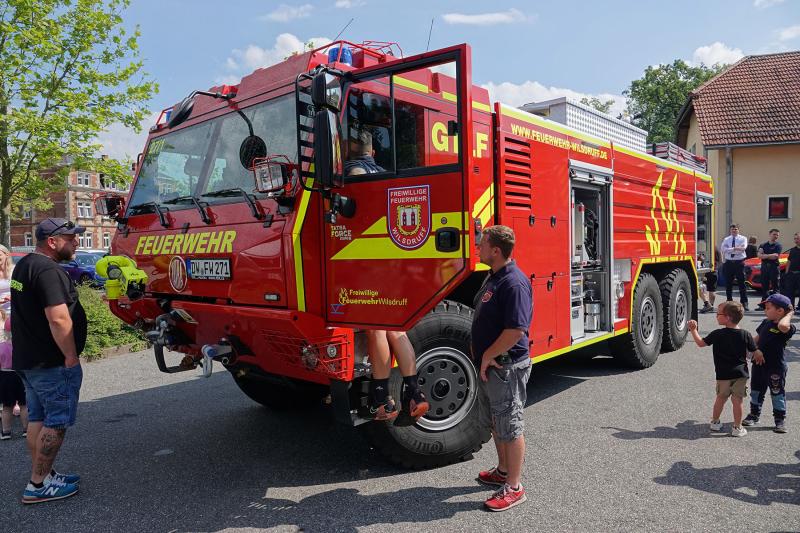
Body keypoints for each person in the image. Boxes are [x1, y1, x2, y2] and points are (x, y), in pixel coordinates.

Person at [344, 130, 428, 423]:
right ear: (373, 152)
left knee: (375, 328)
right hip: (393, 259)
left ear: (346, 149)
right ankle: (415, 391)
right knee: (396, 328)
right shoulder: (383, 173)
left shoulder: (349, 172)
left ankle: (382, 400)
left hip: (367, 259)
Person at [12, 218, 87, 504]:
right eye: (70, 238)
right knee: (56, 422)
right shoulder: (47, 270)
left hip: (30, 360)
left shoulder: (26, 264)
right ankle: (38, 484)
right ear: (53, 242)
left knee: (38, 419)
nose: (76, 241)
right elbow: (57, 317)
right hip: (52, 363)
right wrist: (70, 356)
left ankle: (45, 475)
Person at [472, 225, 533, 512]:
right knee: (498, 420)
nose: (478, 248)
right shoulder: (495, 276)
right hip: (494, 366)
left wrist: (488, 356)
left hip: (506, 367)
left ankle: (515, 487)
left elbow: (516, 331)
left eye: (482, 244)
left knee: (510, 424)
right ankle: (503, 470)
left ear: (496, 251)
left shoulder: (514, 283)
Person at [687, 301, 757, 437]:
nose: (716, 316)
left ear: (728, 317)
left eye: (718, 314)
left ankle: (715, 422)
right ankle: (737, 427)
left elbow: (701, 343)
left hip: (723, 374)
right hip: (740, 374)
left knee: (720, 398)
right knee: (738, 401)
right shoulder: (745, 334)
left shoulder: (717, 334)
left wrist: (693, 330)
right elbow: (754, 350)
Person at [743, 294, 795, 433]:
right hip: (759, 364)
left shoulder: (788, 327)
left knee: (777, 392)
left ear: (780, 311)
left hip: (776, 367)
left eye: (768, 308)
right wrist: (749, 349)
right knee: (756, 391)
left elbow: (783, 325)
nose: (765, 310)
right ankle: (754, 414)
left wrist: (790, 313)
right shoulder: (766, 323)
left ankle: (779, 419)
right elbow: (756, 339)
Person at [1, 312, 27, 440]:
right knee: (24, 404)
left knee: (7, 406)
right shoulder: (24, 346)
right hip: (21, 375)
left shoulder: (1, 347)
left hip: (5, 377)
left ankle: (6, 432)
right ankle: (26, 429)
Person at [720, 224, 749, 311]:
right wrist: (735, 248)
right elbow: (723, 249)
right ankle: (729, 302)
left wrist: (730, 249)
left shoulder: (743, 238)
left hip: (739, 263)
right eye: (732, 229)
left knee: (741, 284)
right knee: (728, 284)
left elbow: (743, 248)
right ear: (730, 230)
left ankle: (744, 303)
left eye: (735, 229)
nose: (734, 231)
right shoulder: (726, 239)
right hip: (729, 263)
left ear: (738, 230)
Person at [757, 229, 782, 310]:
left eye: (777, 235)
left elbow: (775, 256)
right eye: (774, 234)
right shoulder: (763, 244)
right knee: (765, 287)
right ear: (770, 234)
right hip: (764, 267)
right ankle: (764, 305)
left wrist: (764, 255)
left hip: (774, 267)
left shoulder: (778, 245)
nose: (776, 236)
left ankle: (776, 305)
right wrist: (769, 255)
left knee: (775, 286)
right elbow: (759, 256)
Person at [781, 232, 800, 309]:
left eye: (798, 238)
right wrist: (787, 273)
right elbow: (789, 261)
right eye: (795, 239)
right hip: (791, 274)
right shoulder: (793, 250)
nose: (796, 240)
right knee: (790, 292)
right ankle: (791, 308)